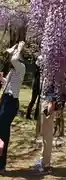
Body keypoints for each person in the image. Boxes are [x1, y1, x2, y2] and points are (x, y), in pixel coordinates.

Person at [0, 41, 26, 175]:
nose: (10, 59)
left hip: (11, 103)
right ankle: (1, 165)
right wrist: (2, 80)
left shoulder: (21, 67)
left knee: (3, 133)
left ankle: (1, 166)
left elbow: (14, 58)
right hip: (5, 100)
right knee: (2, 133)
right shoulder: (13, 70)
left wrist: (19, 47)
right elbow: (9, 86)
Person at [26, 55, 42, 120]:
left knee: (36, 101)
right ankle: (32, 115)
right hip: (37, 84)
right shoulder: (38, 70)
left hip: (38, 84)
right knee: (35, 100)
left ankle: (33, 115)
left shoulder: (37, 69)